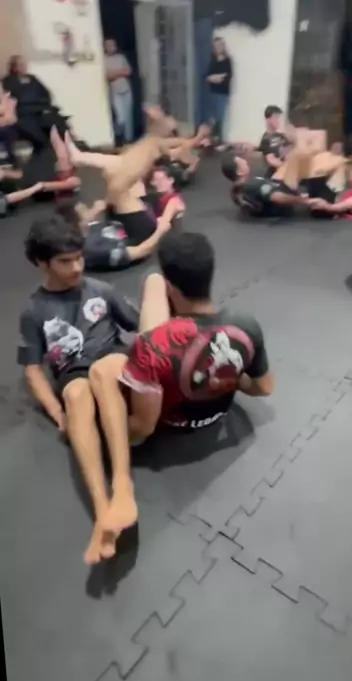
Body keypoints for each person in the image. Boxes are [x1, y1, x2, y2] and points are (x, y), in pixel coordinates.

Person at [17, 104, 185, 564]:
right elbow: (32, 369)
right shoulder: (34, 310)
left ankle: (123, 486)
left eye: (78, 259)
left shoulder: (100, 289)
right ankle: (103, 512)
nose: (76, 268)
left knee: (106, 370)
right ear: (41, 263)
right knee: (75, 394)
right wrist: (57, 411)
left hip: (109, 359)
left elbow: (139, 330)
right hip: (72, 374)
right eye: (65, 262)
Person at [119, 230, 275, 437]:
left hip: (169, 422)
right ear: (211, 274)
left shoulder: (152, 346)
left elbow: (143, 428)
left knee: (153, 280)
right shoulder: (245, 324)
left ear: (170, 288)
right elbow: (264, 387)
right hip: (216, 414)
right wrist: (229, 379)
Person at [221, 129, 352, 219]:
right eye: (242, 162)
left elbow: (259, 194)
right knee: (303, 153)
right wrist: (304, 201)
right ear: (239, 171)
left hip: (277, 183)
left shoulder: (244, 187)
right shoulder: (250, 185)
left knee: (303, 153)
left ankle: (324, 159)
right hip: (282, 192)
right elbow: (277, 197)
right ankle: (337, 161)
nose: (246, 162)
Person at [2, 55, 69, 152]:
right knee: (34, 130)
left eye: (25, 64)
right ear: (14, 67)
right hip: (23, 113)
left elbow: (46, 94)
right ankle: (45, 148)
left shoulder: (33, 79)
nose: (24, 67)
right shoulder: (7, 81)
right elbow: (9, 101)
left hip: (40, 109)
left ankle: (68, 144)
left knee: (57, 121)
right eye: (20, 65)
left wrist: (44, 105)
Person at [104, 39, 134, 146]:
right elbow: (107, 75)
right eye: (109, 45)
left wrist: (115, 73)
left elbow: (128, 71)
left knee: (128, 118)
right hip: (115, 92)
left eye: (113, 44)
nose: (112, 47)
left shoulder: (121, 57)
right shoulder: (104, 60)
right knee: (121, 119)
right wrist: (121, 72)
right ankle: (117, 137)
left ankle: (128, 141)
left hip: (126, 90)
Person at [206, 37, 233, 147]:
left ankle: (220, 141)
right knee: (212, 118)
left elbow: (227, 77)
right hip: (212, 93)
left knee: (220, 118)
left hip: (223, 94)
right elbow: (208, 77)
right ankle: (212, 140)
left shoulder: (227, 61)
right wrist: (217, 77)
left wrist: (215, 78)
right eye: (216, 46)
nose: (218, 47)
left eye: (220, 45)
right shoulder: (212, 61)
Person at [258, 105, 292, 177]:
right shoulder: (266, 139)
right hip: (274, 175)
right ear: (268, 119)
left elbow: (291, 148)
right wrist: (287, 167)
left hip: (285, 173)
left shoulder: (282, 136)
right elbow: (271, 160)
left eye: (279, 117)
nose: (278, 121)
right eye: (276, 117)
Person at [0, 82, 19, 167]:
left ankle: (10, 160)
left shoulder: (11, 101)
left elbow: (11, 119)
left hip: (8, 129)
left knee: (9, 132)